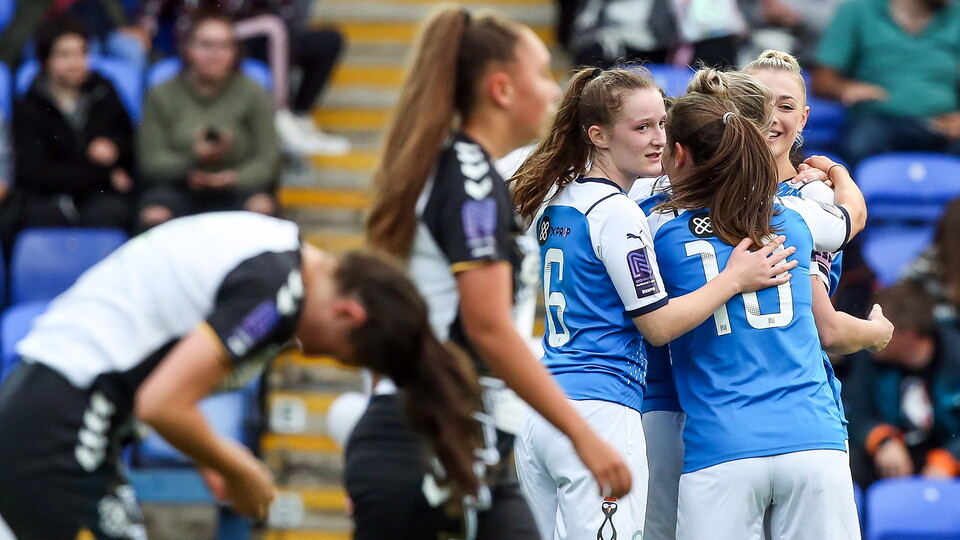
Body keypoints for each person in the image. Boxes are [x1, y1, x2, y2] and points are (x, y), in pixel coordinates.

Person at [0, 211, 482, 539]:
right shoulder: (277, 290)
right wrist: (239, 468)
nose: (314, 355)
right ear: (349, 314)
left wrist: (210, 459)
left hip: (54, 413)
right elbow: (161, 403)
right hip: (55, 430)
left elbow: (164, 358)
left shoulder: (278, 250)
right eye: (342, 356)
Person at [359, 7, 632, 539]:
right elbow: (488, 326)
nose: (554, 89)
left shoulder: (458, 169)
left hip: (455, 435)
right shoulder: (472, 182)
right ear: (502, 90)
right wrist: (583, 435)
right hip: (427, 436)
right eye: (539, 72)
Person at [508, 66, 797, 540]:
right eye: (641, 127)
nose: (658, 139)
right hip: (601, 411)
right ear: (598, 136)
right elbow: (658, 326)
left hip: (543, 411)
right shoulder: (617, 213)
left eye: (663, 123)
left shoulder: (559, 197)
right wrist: (733, 279)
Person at [649, 92, 866, 539]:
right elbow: (850, 218)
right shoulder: (796, 215)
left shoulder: (653, 228)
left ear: (679, 154)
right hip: (813, 439)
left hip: (721, 445)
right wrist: (836, 172)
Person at [137, 9, 280, 230]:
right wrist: (192, 158)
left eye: (224, 46)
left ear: (235, 52)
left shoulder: (254, 93)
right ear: (187, 48)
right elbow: (151, 162)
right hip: (178, 186)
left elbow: (267, 159)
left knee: (261, 209)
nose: (215, 54)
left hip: (237, 187)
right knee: (154, 214)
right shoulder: (161, 94)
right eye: (206, 45)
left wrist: (232, 178)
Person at [10, 17, 135, 233]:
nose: (77, 62)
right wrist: (104, 175)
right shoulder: (28, 105)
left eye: (82, 53)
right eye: (65, 54)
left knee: (111, 215)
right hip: (48, 198)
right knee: (38, 219)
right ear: (44, 59)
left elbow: (128, 139)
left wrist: (115, 146)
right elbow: (33, 173)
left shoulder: (104, 91)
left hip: (99, 197)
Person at [812, 0, 960, 167]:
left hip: (942, 124)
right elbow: (821, 81)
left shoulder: (956, 14)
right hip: (879, 120)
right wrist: (845, 88)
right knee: (862, 142)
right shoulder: (856, 10)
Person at [844, 282, 960, 487]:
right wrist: (880, 439)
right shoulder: (868, 356)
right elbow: (852, 411)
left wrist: (950, 458)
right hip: (891, 462)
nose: (870, 333)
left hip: (943, 458)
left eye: (882, 328)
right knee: (849, 461)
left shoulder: (955, 356)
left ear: (910, 333)